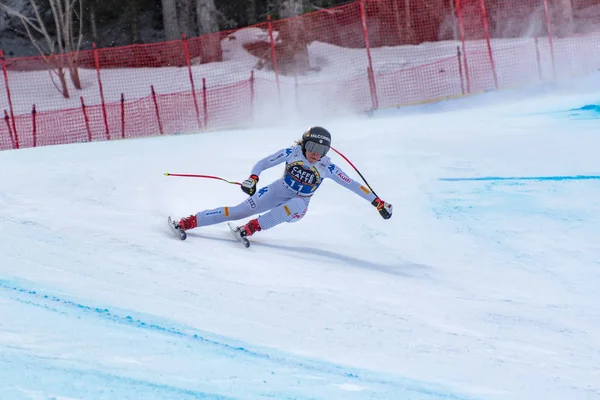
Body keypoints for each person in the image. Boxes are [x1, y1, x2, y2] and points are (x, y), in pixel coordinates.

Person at [173, 126, 393, 239]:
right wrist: (253, 178)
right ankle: (190, 221)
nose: (316, 154)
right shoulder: (292, 153)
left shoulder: (328, 167)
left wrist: (378, 202)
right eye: (313, 149)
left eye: (322, 151)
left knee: (297, 203)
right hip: (277, 190)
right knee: (237, 210)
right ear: (304, 145)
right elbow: (263, 162)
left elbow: (354, 184)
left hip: (299, 205)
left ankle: (252, 228)